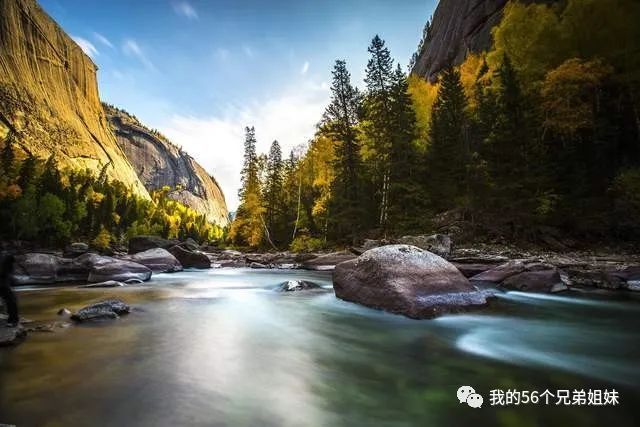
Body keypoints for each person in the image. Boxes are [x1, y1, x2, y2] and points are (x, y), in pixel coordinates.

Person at [0, 253, 19, 327]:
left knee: (11, 300)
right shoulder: (6, 256)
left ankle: (13, 320)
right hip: (3, 283)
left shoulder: (6, 256)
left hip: (3, 282)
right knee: (11, 301)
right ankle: (13, 320)